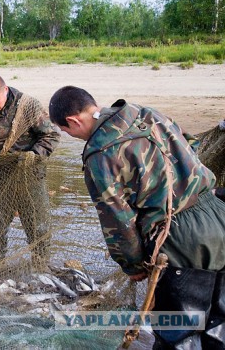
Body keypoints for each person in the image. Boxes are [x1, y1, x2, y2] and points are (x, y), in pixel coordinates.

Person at [49, 85, 225, 348]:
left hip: (179, 235)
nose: (70, 135)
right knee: (219, 322)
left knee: (179, 329)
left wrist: (132, 265)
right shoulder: (144, 113)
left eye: (66, 130)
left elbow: (117, 221)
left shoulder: (100, 153)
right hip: (217, 212)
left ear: (73, 121)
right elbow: (192, 144)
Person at [0, 74, 60, 271]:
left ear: (5, 90)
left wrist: (34, 155)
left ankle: (40, 265)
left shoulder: (28, 106)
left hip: (29, 173)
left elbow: (51, 135)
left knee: (37, 223)